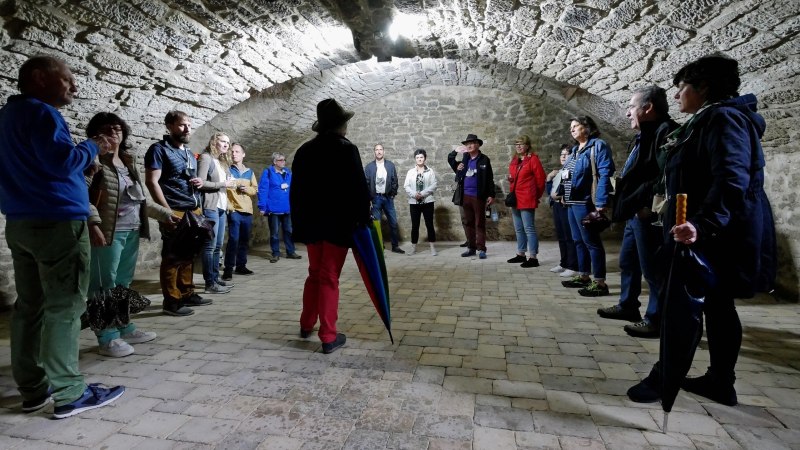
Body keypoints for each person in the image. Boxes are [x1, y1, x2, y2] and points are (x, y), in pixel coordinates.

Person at [627, 54, 776, 407]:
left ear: (703, 88)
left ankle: (666, 379)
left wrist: (702, 223)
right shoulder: (708, 119)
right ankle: (720, 381)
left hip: (715, 233)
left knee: (685, 306)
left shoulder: (723, 119)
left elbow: (731, 178)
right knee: (719, 307)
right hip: (711, 229)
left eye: (682, 88)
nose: (677, 96)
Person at [0, 55, 124, 418]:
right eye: (68, 78)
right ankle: (71, 392)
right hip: (57, 223)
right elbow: (60, 163)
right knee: (66, 307)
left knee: (28, 307)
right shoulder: (41, 113)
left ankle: (33, 388)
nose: (75, 85)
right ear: (39, 78)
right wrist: (91, 147)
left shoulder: (5, 117)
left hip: (21, 221)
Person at [86, 112, 175, 358]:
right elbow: (80, 194)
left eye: (118, 128)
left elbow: (142, 198)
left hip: (131, 229)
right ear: (97, 134)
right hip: (107, 232)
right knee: (103, 285)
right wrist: (93, 224)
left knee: (122, 283)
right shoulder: (92, 160)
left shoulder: (127, 161)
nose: (114, 132)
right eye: (108, 129)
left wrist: (166, 214)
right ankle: (107, 337)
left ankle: (124, 326)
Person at [597, 86, 679, 338]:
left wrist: (646, 205)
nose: (627, 113)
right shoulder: (644, 134)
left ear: (648, 108)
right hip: (635, 211)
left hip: (647, 212)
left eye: (632, 107)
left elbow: (663, 177)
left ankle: (657, 319)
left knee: (653, 270)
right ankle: (628, 305)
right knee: (628, 261)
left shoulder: (666, 132)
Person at [291, 98, 371, 354]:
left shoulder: (304, 151)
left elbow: (297, 192)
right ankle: (328, 335)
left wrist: (298, 226)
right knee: (328, 277)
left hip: (312, 225)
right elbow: (359, 189)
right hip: (338, 225)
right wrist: (362, 220)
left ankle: (306, 324)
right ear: (340, 124)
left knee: (315, 273)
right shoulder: (347, 149)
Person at [145, 110, 213, 316]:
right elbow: (152, 181)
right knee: (173, 256)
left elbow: (188, 178)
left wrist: (198, 182)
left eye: (189, 125)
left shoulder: (188, 152)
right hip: (174, 209)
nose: (187, 129)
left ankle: (186, 292)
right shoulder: (158, 150)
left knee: (188, 254)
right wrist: (165, 211)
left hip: (193, 209)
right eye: (182, 125)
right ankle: (171, 301)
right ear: (170, 126)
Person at [560, 116, 615, 296]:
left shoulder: (598, 145)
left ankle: (600, 282)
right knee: (578, 240)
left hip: (585, 201)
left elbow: (605, 173)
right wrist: (562, 194)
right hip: (572, 201)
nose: (572, 129)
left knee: (591, 241)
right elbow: (567, 174)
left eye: (575, 126)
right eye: (571, 127)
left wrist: (601, 201)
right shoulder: (575, 150)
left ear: (587, 127)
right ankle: (584, 276)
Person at [194, 132, 236, 294]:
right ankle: (209, 283)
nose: (226, 144)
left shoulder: (221, 161)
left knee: (218, 246)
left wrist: (228, 184)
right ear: (214, 142)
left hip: (221, 206)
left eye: (228, 142)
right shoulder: (206, 158)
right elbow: (201, 182)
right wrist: (222, 183)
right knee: (209, 246)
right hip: (210, 206)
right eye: (223, 141)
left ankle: (215, 278)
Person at [448, 134, 495, 259]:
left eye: (472, 143)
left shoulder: (484, 159)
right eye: (467, 144)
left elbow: (490, 178)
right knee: (468, 223)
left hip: (478, 196)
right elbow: (450, 160)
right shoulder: (464, 159)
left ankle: (481, 249)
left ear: (478, 145)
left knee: (479, 223)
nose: (469, 145)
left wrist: (491, 194)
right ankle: (471, 248)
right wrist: (454, 151)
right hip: (465, 196)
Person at [505, 135, 546, 268]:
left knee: (529, 228)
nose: (518, 146)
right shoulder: (515, 160)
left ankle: (533, 257)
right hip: (515, 198)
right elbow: (515, 177)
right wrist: (511, 179)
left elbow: (540, 180)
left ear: (527, 145)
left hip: (527, 198)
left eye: (521, 144)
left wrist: (535, 196)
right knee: (518, 228)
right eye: (516, 144)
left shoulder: (533, 160)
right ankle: (521, 254)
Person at [222, 143, 258, 280]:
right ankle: (228, 269)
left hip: (247, 210)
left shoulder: (249, 172)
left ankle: (241, 265)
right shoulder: (227, 170)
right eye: (232, 151)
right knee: (234, 239)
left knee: (244, 240)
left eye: (237, 151)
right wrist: (229, 207)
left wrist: (246, 189)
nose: (234, 154)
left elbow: (254, 189)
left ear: (243, 154)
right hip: (234, 209)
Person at [258, 152, 301, 263]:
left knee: (288, 231)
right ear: (274, 162)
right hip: (273, 208)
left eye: (284, 160)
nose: (283, 162)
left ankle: (290, 252)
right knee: (274, 233)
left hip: (286, 207)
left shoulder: (287, 173)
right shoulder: (268, 173)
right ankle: (275, 253)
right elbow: (263, 190)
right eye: (281, 160)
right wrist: (262, 206)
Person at [365, 144, 404, 253]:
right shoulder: (369, 167)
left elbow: (394, 180)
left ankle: (395, 246)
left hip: (388, 198)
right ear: (374, 152)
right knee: (377, 224)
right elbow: (366, 183)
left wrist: (393, 193)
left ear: (384, 151)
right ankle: (379, 246)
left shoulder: (390, 165)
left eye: (380, 149)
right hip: (376, 198)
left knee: (393, 222)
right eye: (376, 150)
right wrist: (370, 198)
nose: (379, 151)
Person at [546, 144, 578, 278]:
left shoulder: (573, 171)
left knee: (569, 236)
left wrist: (562, 196)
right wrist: (548, 179)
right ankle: (564, 262)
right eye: (562, 154)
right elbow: (550, 192)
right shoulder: (559, 172)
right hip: (557, 206)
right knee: (561, 236)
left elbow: (571, 189)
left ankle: (573, 265)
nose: (563, 157)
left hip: (566, 206)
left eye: (567, 154)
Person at [403, 149, 438, 255]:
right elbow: (406, 186)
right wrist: (415, 194)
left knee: (429, 224)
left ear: (425, 158)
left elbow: (434, 185)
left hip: (427, 202)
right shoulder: (410, 172)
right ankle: (413, 247)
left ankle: (432, 247)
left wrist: (422, 194)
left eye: (421, 157)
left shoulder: (430, 171)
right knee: (415, 225)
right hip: (414, 202)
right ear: (415, 159)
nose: (419, 159)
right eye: (417, 157)